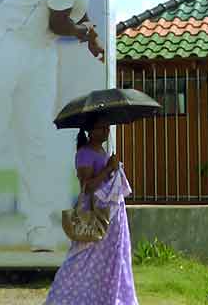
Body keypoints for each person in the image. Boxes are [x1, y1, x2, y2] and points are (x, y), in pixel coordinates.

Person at [0, 0, 105, 252]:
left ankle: (37, 227)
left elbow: (60, 25)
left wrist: (89, 32)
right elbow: (59, 22)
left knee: (35, 137)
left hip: (41, 52)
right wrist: (91, 36)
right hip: (7, 46)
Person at [45, 116, 139, 304]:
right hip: (94, 215)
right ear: (90, 131)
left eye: (107, 127)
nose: (106, 131)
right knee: (83, 257)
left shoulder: (101, 150)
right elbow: (87, 187)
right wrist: (107, 169)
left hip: (109, 215)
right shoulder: (84, 153)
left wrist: (113, 169)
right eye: (101, 127)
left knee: (109, 259)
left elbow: (104, 180)